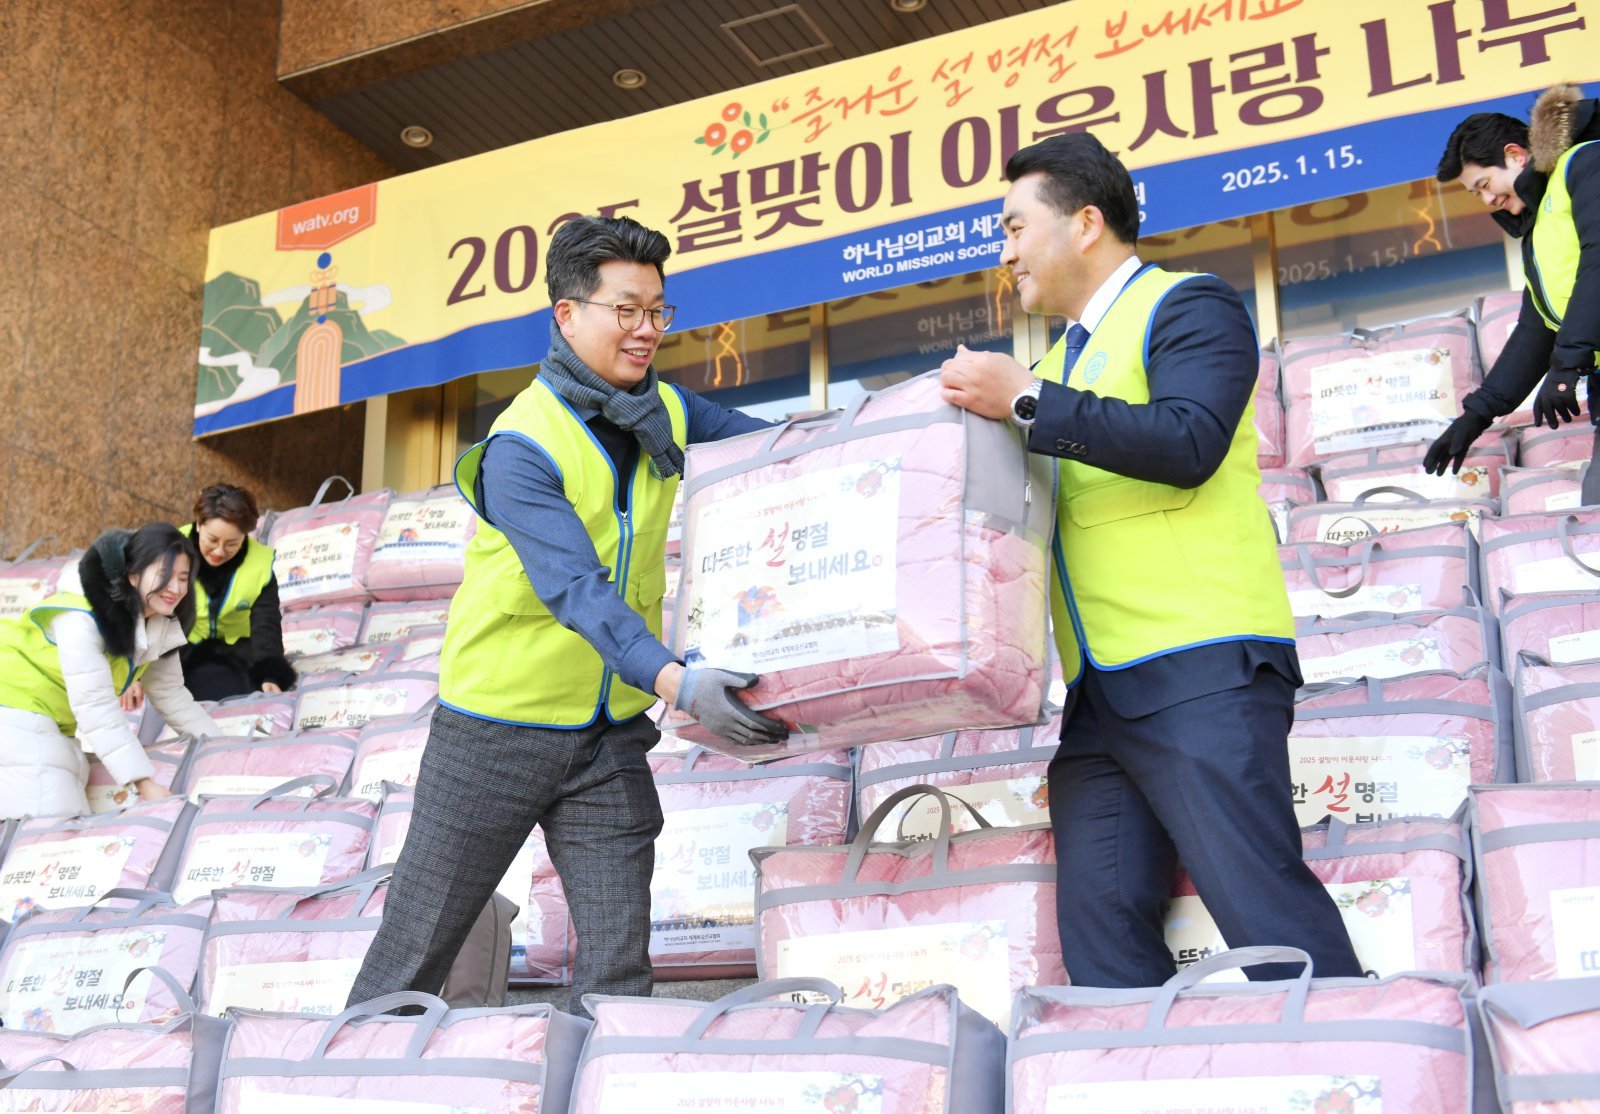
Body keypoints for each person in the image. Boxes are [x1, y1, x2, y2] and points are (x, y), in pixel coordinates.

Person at [938, 132, 1363, 987]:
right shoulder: (1056, 362)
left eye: (1016, 227)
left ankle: (1359, 1068)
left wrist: (1022, 398)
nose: (1006, 251)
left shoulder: (1189, 305)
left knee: (1264, 911)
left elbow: (1189, 439)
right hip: (1100, 691)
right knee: (1099, 934)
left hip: (1199, 663)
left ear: (1085, 222)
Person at [347, 215, 786, 1016]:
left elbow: (784, 443)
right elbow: (577, 588)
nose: (647, 331)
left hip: (607, 737)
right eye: (626, 310)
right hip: (494, 733)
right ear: (567, 313)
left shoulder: (670, 413)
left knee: (620, 969)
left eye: (658, 312)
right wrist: (677, 681)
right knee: (414, 952)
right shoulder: (522, 446)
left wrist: (933, 409)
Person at [1425, 83, 1600, 479]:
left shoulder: (1587, 164)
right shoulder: (1541, 224)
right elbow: (1536, 326)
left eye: (1484, 185)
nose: (1487, 201)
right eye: (1476, 195)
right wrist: (1477, 414)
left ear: (1515, 154)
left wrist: (1568, 362)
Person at [0, 524, 223, 819]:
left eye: (183, 578)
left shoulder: (157, 625)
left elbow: (172, 696)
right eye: (163, 576)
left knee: (68, 791)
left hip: (47, 719)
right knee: (54, 819)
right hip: (12, 706)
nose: (176, 588)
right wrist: (143, 783)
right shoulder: (80, 618)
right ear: (132, 575)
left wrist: (223, 751)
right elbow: (96, 707)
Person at [170, 484, 295, 703]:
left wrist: (270, 674)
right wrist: (138, 673)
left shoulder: (260, 566)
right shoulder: (171, 550)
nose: (219, 551)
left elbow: (266, 626)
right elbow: (152, 614)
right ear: (199, 524)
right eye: (212, 540)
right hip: (182, 647)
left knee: (242, 695)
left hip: (238, 651)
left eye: (231, 544)